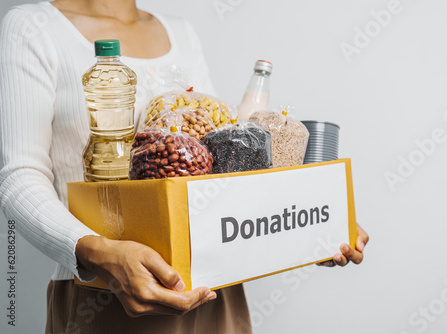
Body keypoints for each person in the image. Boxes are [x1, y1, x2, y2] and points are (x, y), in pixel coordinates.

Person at [0, 0, 369, 333]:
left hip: (213, 290)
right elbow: (19, 176)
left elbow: (218, 166)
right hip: (103, 295)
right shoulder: (33, 27)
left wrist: (309, 216)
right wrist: (100, 255)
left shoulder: (180, 31)